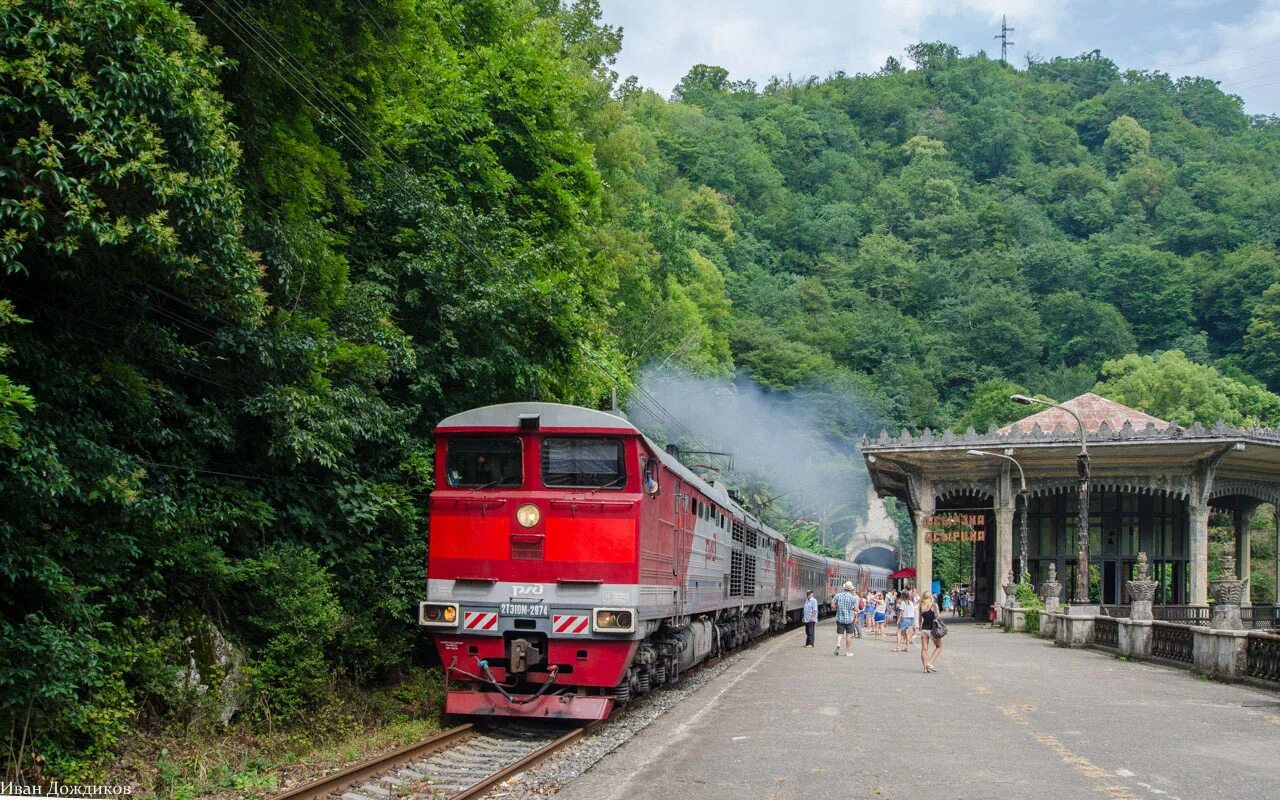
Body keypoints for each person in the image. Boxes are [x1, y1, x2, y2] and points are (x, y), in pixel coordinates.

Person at [832, 581, 858, 657]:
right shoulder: (853, 598)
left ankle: (838, 644)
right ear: (851, 589)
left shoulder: (838, 595)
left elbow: (832, 606)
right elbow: (856, 609)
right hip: (849, 619)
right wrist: (853, 609)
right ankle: (847, 652)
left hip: (839, 618)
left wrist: (838, 607)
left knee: (840, 634)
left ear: (844, 588)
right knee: (849, 635)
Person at [919, 593, 942, 673]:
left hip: (923, 629)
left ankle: (925, 668)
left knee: (924, 649)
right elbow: (938, 617)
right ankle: (930, 663)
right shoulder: (934, 605)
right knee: (939, 646)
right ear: (930, 597)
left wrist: (919, 628)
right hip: (932, 629)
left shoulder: (921, 606)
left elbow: (920, 619)